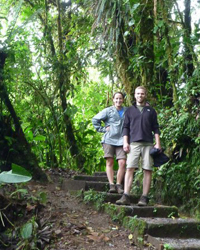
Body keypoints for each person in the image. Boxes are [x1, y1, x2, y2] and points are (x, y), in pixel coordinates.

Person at [116, 86, 161, 206]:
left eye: (142, 93)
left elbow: (156, 128)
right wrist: (125, 142)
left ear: (145, 95)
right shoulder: (130, 110)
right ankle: (125, 195)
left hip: (148, 144)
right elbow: (126, 127)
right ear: (134, 95)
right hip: (133, 144)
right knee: (130, 168)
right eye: (138, 94)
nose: (140, 95)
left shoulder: (151, 111)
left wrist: (158, 143)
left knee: (147, 169)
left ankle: (144, 197)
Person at [92, 92, 127, 194]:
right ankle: (111, 184)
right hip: (109, 139)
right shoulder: (108, 110)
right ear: (113, 100)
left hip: (122, 139)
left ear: (123, 100)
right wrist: (103, 129)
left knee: (122, 162)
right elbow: (95, 119)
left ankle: (119, 184)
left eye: (120, 98)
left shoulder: (127, 111)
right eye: (116, 99)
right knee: (110, 162)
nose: (118, 100)